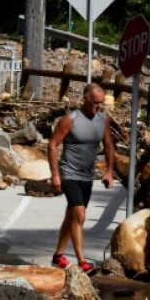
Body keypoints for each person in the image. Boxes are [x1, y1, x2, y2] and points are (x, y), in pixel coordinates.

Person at [48, 82, 115, 272]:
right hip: (69, 173)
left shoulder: (103, 119)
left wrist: (109, 171)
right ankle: (82, 262)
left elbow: (109, 145)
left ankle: (58, 256)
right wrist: (55, 174)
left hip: (87, 175)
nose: (99, 106)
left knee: (72, 216)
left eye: (101, 103)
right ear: (85, 99)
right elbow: (52, 144)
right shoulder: (70, 119)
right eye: (95, 102)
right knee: (80, 215)